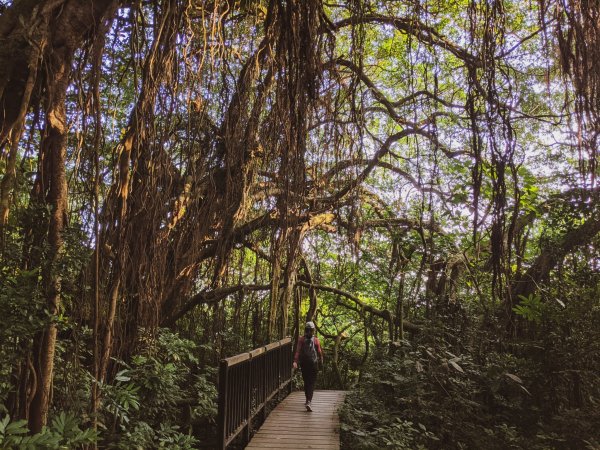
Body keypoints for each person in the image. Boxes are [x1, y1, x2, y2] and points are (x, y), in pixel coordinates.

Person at [293, 321, 323, 411]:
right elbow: (319, 352)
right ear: (313, 330)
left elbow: (298, 351)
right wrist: (321, 361)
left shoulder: (301, 339)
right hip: (313, 363)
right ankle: (308, 401)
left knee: (306, 382)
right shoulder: (316, 340)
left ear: (305, 330)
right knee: (311, 382)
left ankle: (308, 400)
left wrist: (295, 361)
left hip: (304, 363)